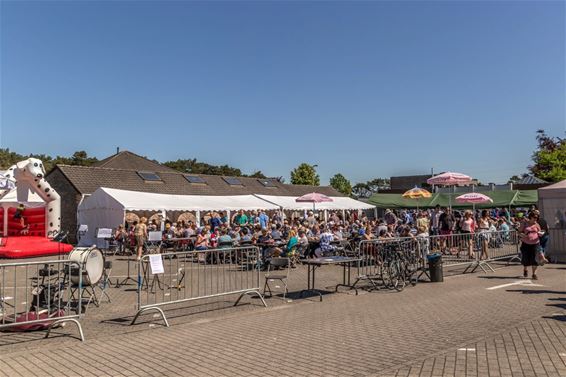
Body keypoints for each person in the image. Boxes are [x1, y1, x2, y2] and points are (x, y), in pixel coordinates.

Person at [518, 212, 542, 279]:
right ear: (530, 217)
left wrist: (541, 234)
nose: (536, 219)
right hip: (525, 244)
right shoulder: (525, 223)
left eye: (537, 218)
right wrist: (522, 235)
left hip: (535, 243)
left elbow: (540, 232)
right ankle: (525, 269)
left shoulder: (537, 225)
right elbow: (519, 232)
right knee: (525, 258)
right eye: (534, 217)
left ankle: (534, 274)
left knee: (535, 259)